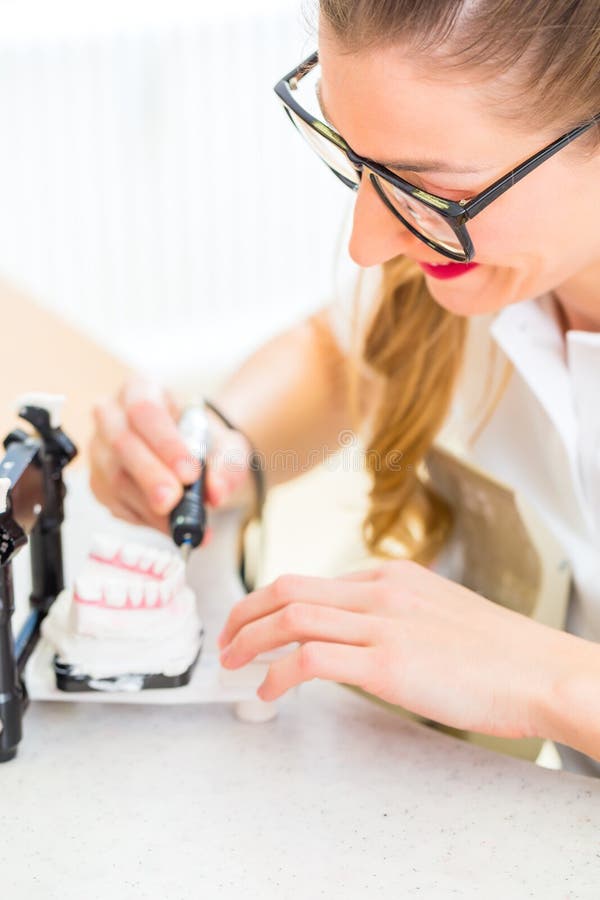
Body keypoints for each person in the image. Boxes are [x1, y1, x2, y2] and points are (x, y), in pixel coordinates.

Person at [90, 1, 600, 774]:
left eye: (431, 192)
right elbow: (345, 351)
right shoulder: (484, 274)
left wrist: (548, 678)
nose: (366, 244)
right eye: (354, 159)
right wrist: (217, 450)